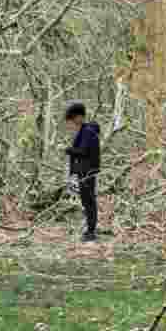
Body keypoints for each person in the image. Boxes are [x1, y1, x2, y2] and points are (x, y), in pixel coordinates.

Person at [64, 102, 101, 242]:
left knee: (89, 201)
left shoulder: (87, 131)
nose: (72, 123)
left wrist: (68, 150)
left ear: (79, 117)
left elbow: (83, 151)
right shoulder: (85, 130)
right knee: (86, 201)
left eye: (73, 119)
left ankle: (91, 232)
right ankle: (89, 229)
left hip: (87, 171)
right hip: (84, 171)